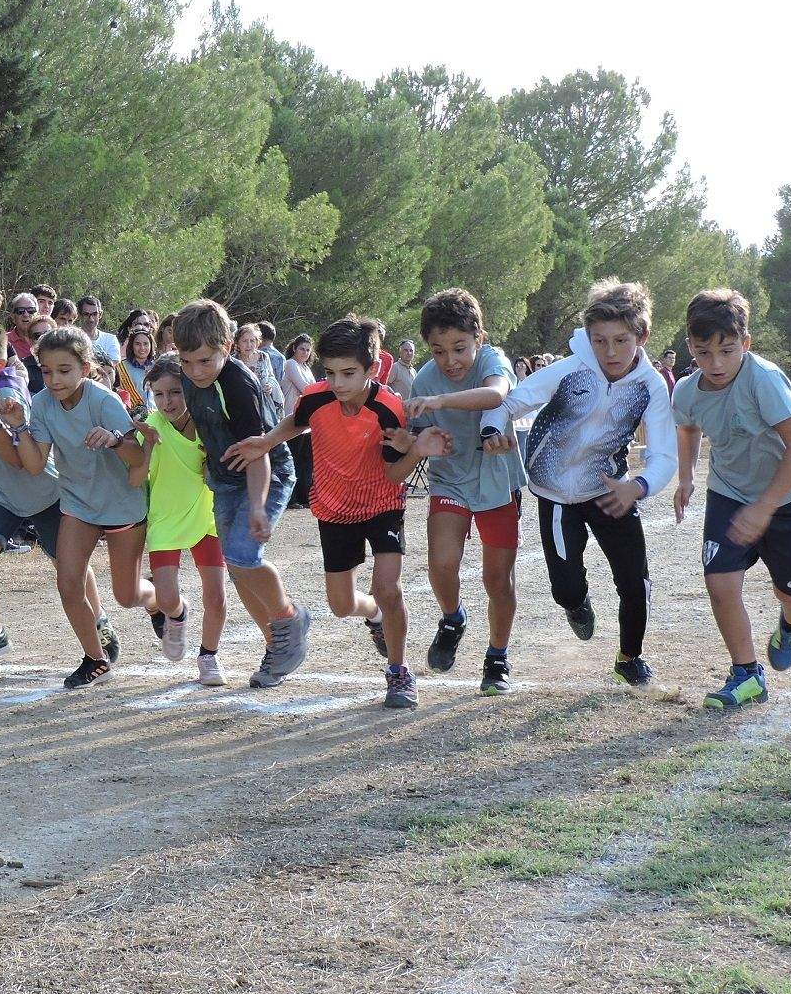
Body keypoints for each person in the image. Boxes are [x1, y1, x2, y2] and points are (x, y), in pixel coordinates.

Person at [412, 278, 674, 688]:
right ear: (588, 336)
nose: (610, 352)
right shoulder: (569, 370)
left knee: (635, 582)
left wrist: (639, 486)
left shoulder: (651, 386)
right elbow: (512, 402)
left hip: (612, 492)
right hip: (555, 496)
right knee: (565, 590)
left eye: (621, 341)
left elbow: (664, 454)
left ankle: (629, 657)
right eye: (600, 340)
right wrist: (489, 432)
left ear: (642, 336)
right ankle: (573, 602)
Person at [232, 316, 447, 709]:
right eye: (329, 372)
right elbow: (296, 423)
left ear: (372, 369)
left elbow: (393, 473)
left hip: (382, 504)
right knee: (342, 605)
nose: (338, 383)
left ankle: (399, 672)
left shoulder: (388, 410)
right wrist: (264, 442)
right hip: (333, 509)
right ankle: (376, 617)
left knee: (388, 587)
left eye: (349, 373)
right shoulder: (316, 397)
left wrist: (415, 450)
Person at [0, 318, 114, 664]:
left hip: (48, 493)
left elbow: (22, 462)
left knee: (68, 568)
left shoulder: (10, 398)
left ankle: (99, 620)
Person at [672, 289, 791, 711]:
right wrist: (686, 477)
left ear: (746, 343)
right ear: (690, 348)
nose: (715, 364)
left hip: (789, 495)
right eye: (703, 352)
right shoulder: (686, 391)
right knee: (719, 582)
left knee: (789, 592)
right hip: (729, 492)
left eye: (727, 350)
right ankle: (746, 673)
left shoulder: (764, 379)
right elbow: (687, 428)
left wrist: (764, 507)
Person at [2, 326, 153, 688]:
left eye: (64, 370)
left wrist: (116, 440)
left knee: (127, 595)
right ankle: (95, 659)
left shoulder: (103, 401)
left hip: (122, 504)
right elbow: (36, 464)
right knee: (69, 585)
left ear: (85, 368)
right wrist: (18, 428)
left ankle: (159, 602)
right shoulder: (39, 404)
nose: (54, 379)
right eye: (47, 370)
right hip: (77, 503)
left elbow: (137, 458)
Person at [172, 299, 310, 689]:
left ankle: (289, 618)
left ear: (227, 347)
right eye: (186, 362)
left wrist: (257, 506)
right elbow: (198, 420)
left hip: (265, 475)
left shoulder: (238, 385)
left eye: (204, 361)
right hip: (224, 479)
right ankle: (277, 650)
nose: (194, 371)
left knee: (243, 554)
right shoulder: (188, 377)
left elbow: (259, 452)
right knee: (237, 569)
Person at [405, 289, 526, 694]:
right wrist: (425, 438)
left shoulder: (494, 361)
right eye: (438, 351)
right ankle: (453, 617)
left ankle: (497, 657)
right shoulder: (423, 378)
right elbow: (414, 436)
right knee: (441, 562)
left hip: (495, 479)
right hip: (450, 478)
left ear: (479, 338)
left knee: (498, 580)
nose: (450, 360)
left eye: (459, 348)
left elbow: (495, 394)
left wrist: (441, 401)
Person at [130, 355, 228, 684]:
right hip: (165, 519)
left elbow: (221, 467)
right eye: (159, 394)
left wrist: (210, 463)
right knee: (168, 598)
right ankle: (176, 614)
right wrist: (147, 446)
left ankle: (209, 657)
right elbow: (136, 478)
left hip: (207, 517)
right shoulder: (150, 427)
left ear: (188, 387)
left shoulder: (209, 423)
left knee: (216, 595)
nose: (167, 401)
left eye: (174, 392)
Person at [280, 333, 316, 509]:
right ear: (294, 348)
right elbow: (307, 389)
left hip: (307, 423)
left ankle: (304, 496)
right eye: (302, 348)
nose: (305, 352)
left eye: (308, 350)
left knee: (306, 461)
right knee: (292, 459)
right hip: (291, 418)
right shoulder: (290, 364)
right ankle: (290, 497)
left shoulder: (306, 368)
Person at [113, 316, 155, 413]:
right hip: (129, 416)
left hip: (156, 416)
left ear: (151, 345)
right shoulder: (121, 368)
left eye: (145, 344)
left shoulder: (158, 367)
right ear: (131, 345)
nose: (142, 348)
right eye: (137, 344)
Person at [4, 294, 45, 393]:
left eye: (31, 311)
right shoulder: (4, 341)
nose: (26, 314)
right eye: (20, 311)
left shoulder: (47, 338)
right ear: (13, 317)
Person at [73, 295, 121, 366]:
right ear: (79, 315)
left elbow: (113, 365)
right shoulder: (72, 338)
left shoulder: (111, 339)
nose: (91, 319)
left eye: (95, 314)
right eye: (86, 314)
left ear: (100, 314)